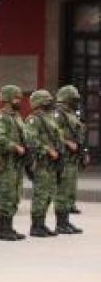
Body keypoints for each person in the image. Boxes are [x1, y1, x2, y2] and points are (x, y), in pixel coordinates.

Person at [23, 90, 62, 238]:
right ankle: (36, 226)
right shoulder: (34, 119)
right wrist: (47, 150)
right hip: (41, 162)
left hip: (52, 163)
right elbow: (30, 139)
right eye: (46, 100)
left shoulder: (49, 118)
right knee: (40, 194)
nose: (49, 103)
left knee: (48, 194)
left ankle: (42, 223)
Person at [52, 85, 88, 234]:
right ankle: (60, 223)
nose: (76, 102)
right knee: (62, 190)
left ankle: (66, 221)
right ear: (66, 99)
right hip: (64, 158)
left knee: (69, 190)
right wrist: (67, 143)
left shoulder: (72, 113)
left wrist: (83, 152)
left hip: (73, 158)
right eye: (73, 99)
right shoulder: (59, 114)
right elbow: (53, 133)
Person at [0, 85, 28, 241]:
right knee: (6, 194)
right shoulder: (2, 117)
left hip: (17, 163)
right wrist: (15, 146)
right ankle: (2, 230)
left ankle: (9, 227)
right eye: (16, 98)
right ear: (7, 99)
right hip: (7, 162)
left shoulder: (16, 116)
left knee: (15, 195)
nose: (19, 101)